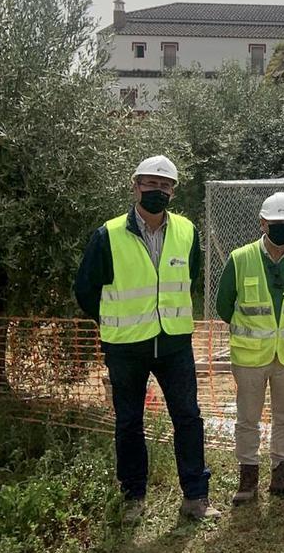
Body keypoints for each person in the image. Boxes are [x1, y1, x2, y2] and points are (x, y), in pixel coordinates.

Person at [73, 155, 220, 522]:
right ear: (135, 185)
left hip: (174, 344)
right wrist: (115, 322)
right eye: (150, 184)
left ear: (173, 191)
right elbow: (86, 289)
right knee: (128, 422)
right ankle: (133, 498)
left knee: (187, 418)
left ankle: (195, 498)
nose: (158, 190)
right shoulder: (108, 235)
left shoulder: (187, 232)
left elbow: (191, 278)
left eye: (165, 185)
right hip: (126, 348)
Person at [216, 192, 284, 505]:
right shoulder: (240, 258)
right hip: (250, 357)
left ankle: (281, 477)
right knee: (247, 419)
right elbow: (223, 305)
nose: (282, 228)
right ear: (262, 222)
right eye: (276, 223)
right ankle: (247, 481)